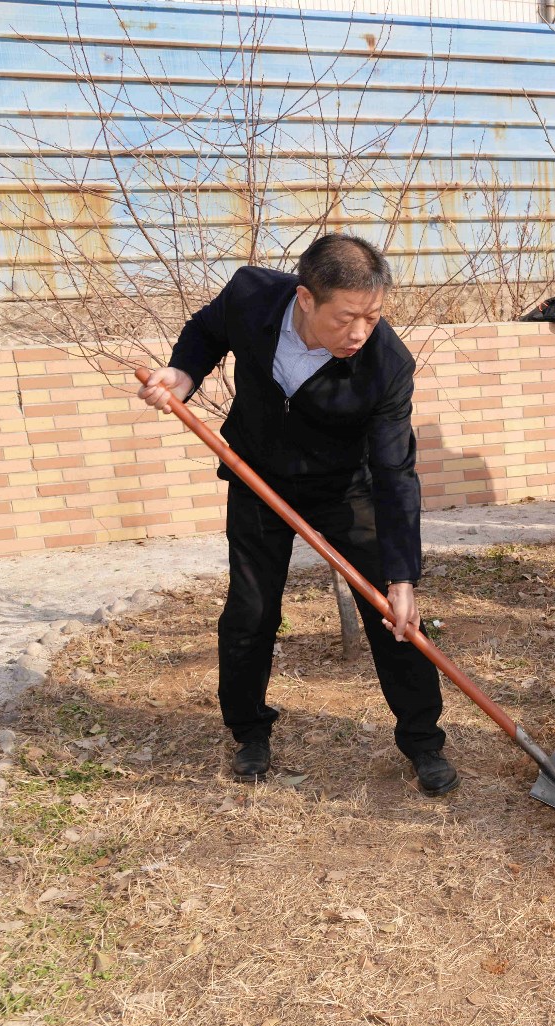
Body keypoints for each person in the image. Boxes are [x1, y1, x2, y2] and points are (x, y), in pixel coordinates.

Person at [137, 234, 457, 797]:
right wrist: (184, 373)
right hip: (258, 475)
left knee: (392, 612)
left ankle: (423, 741)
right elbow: (208, 329)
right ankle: (249, 731)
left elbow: (395, 471)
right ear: (305, 299)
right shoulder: (252, 295)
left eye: (374, 316)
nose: (360, 332)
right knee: (252, 607)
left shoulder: (386, 363)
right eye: (348, 317)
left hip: (344, 488)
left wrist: (403, 575)